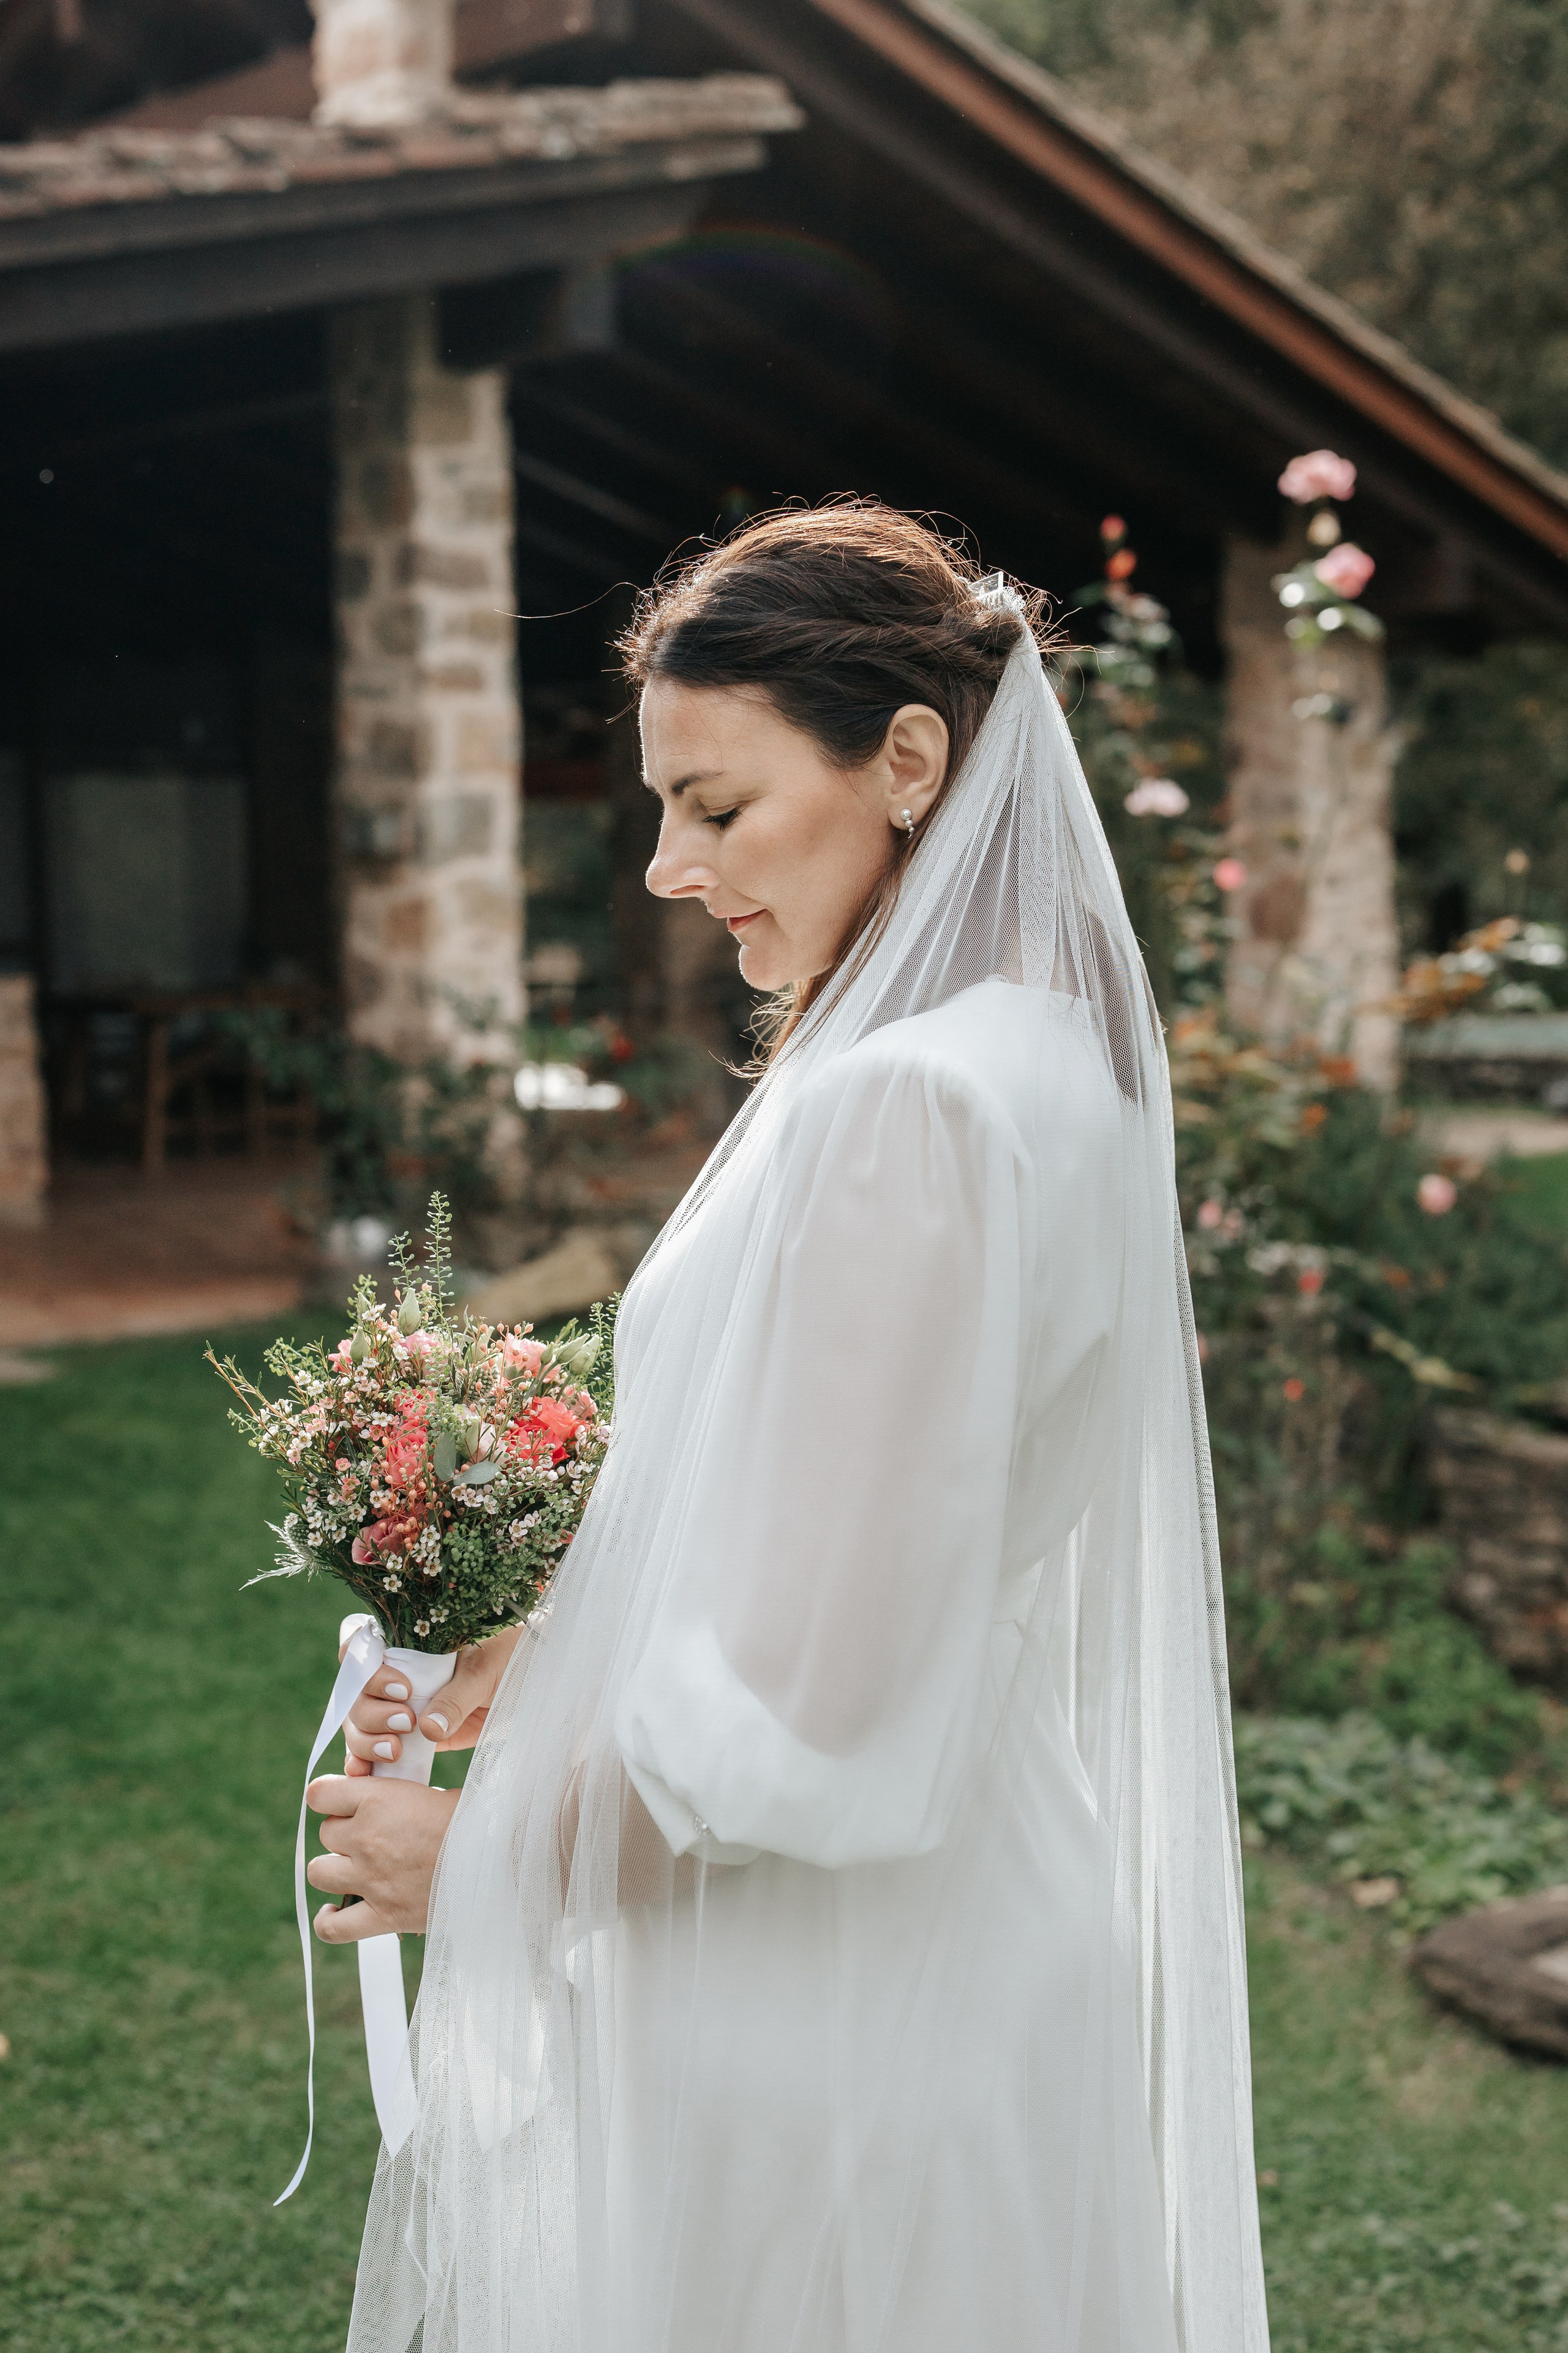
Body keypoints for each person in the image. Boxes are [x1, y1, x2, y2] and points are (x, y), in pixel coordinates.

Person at [307, 504, 1270, 2352]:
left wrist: (487, 1853)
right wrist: (546, 1646)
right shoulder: (1039, 1053)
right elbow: (863, 1540)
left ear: (911, 759)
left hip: (831, 2001)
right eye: (664, 807)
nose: (672, 867)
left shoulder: (911, 1106)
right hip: (965, 1918)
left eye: (721, 807)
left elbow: (809, 1727)